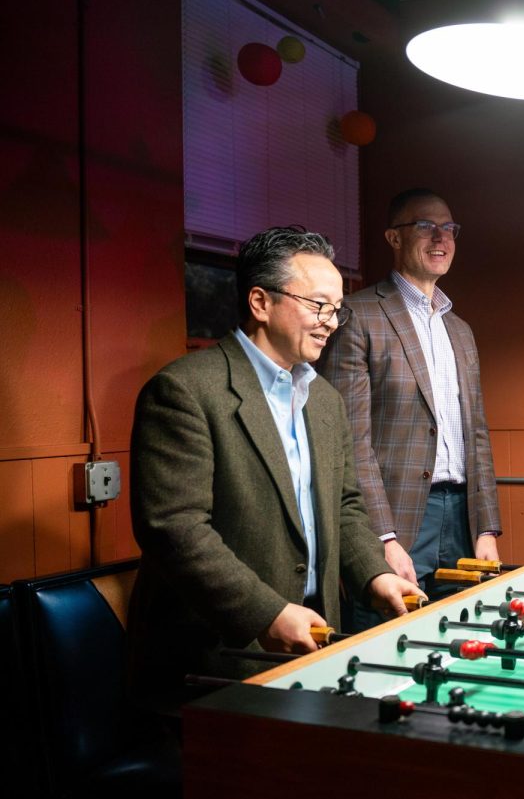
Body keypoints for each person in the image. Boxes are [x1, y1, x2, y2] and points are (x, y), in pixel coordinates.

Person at [127, 226, 424, 712]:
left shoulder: (325, 400)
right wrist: (265, 613)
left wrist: (374, 574)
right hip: (216, 659)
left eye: (337, 309)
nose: (332, 322)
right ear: (260, 302)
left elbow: (345, 506)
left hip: (311, 643)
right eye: (318, 305)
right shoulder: (183, 391)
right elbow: (175, 529)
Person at [319, 188, 501, 613]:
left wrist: (487, 527)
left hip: (462, 518)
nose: (441, 238)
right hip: (396, 521)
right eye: (425, 226)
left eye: (449, 228)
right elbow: (350, 442)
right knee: (386, 648)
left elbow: (476, 434)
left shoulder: (461, 330)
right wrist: (380, 537)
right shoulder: (358, 316)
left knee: (459, 638)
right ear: (393, 238)